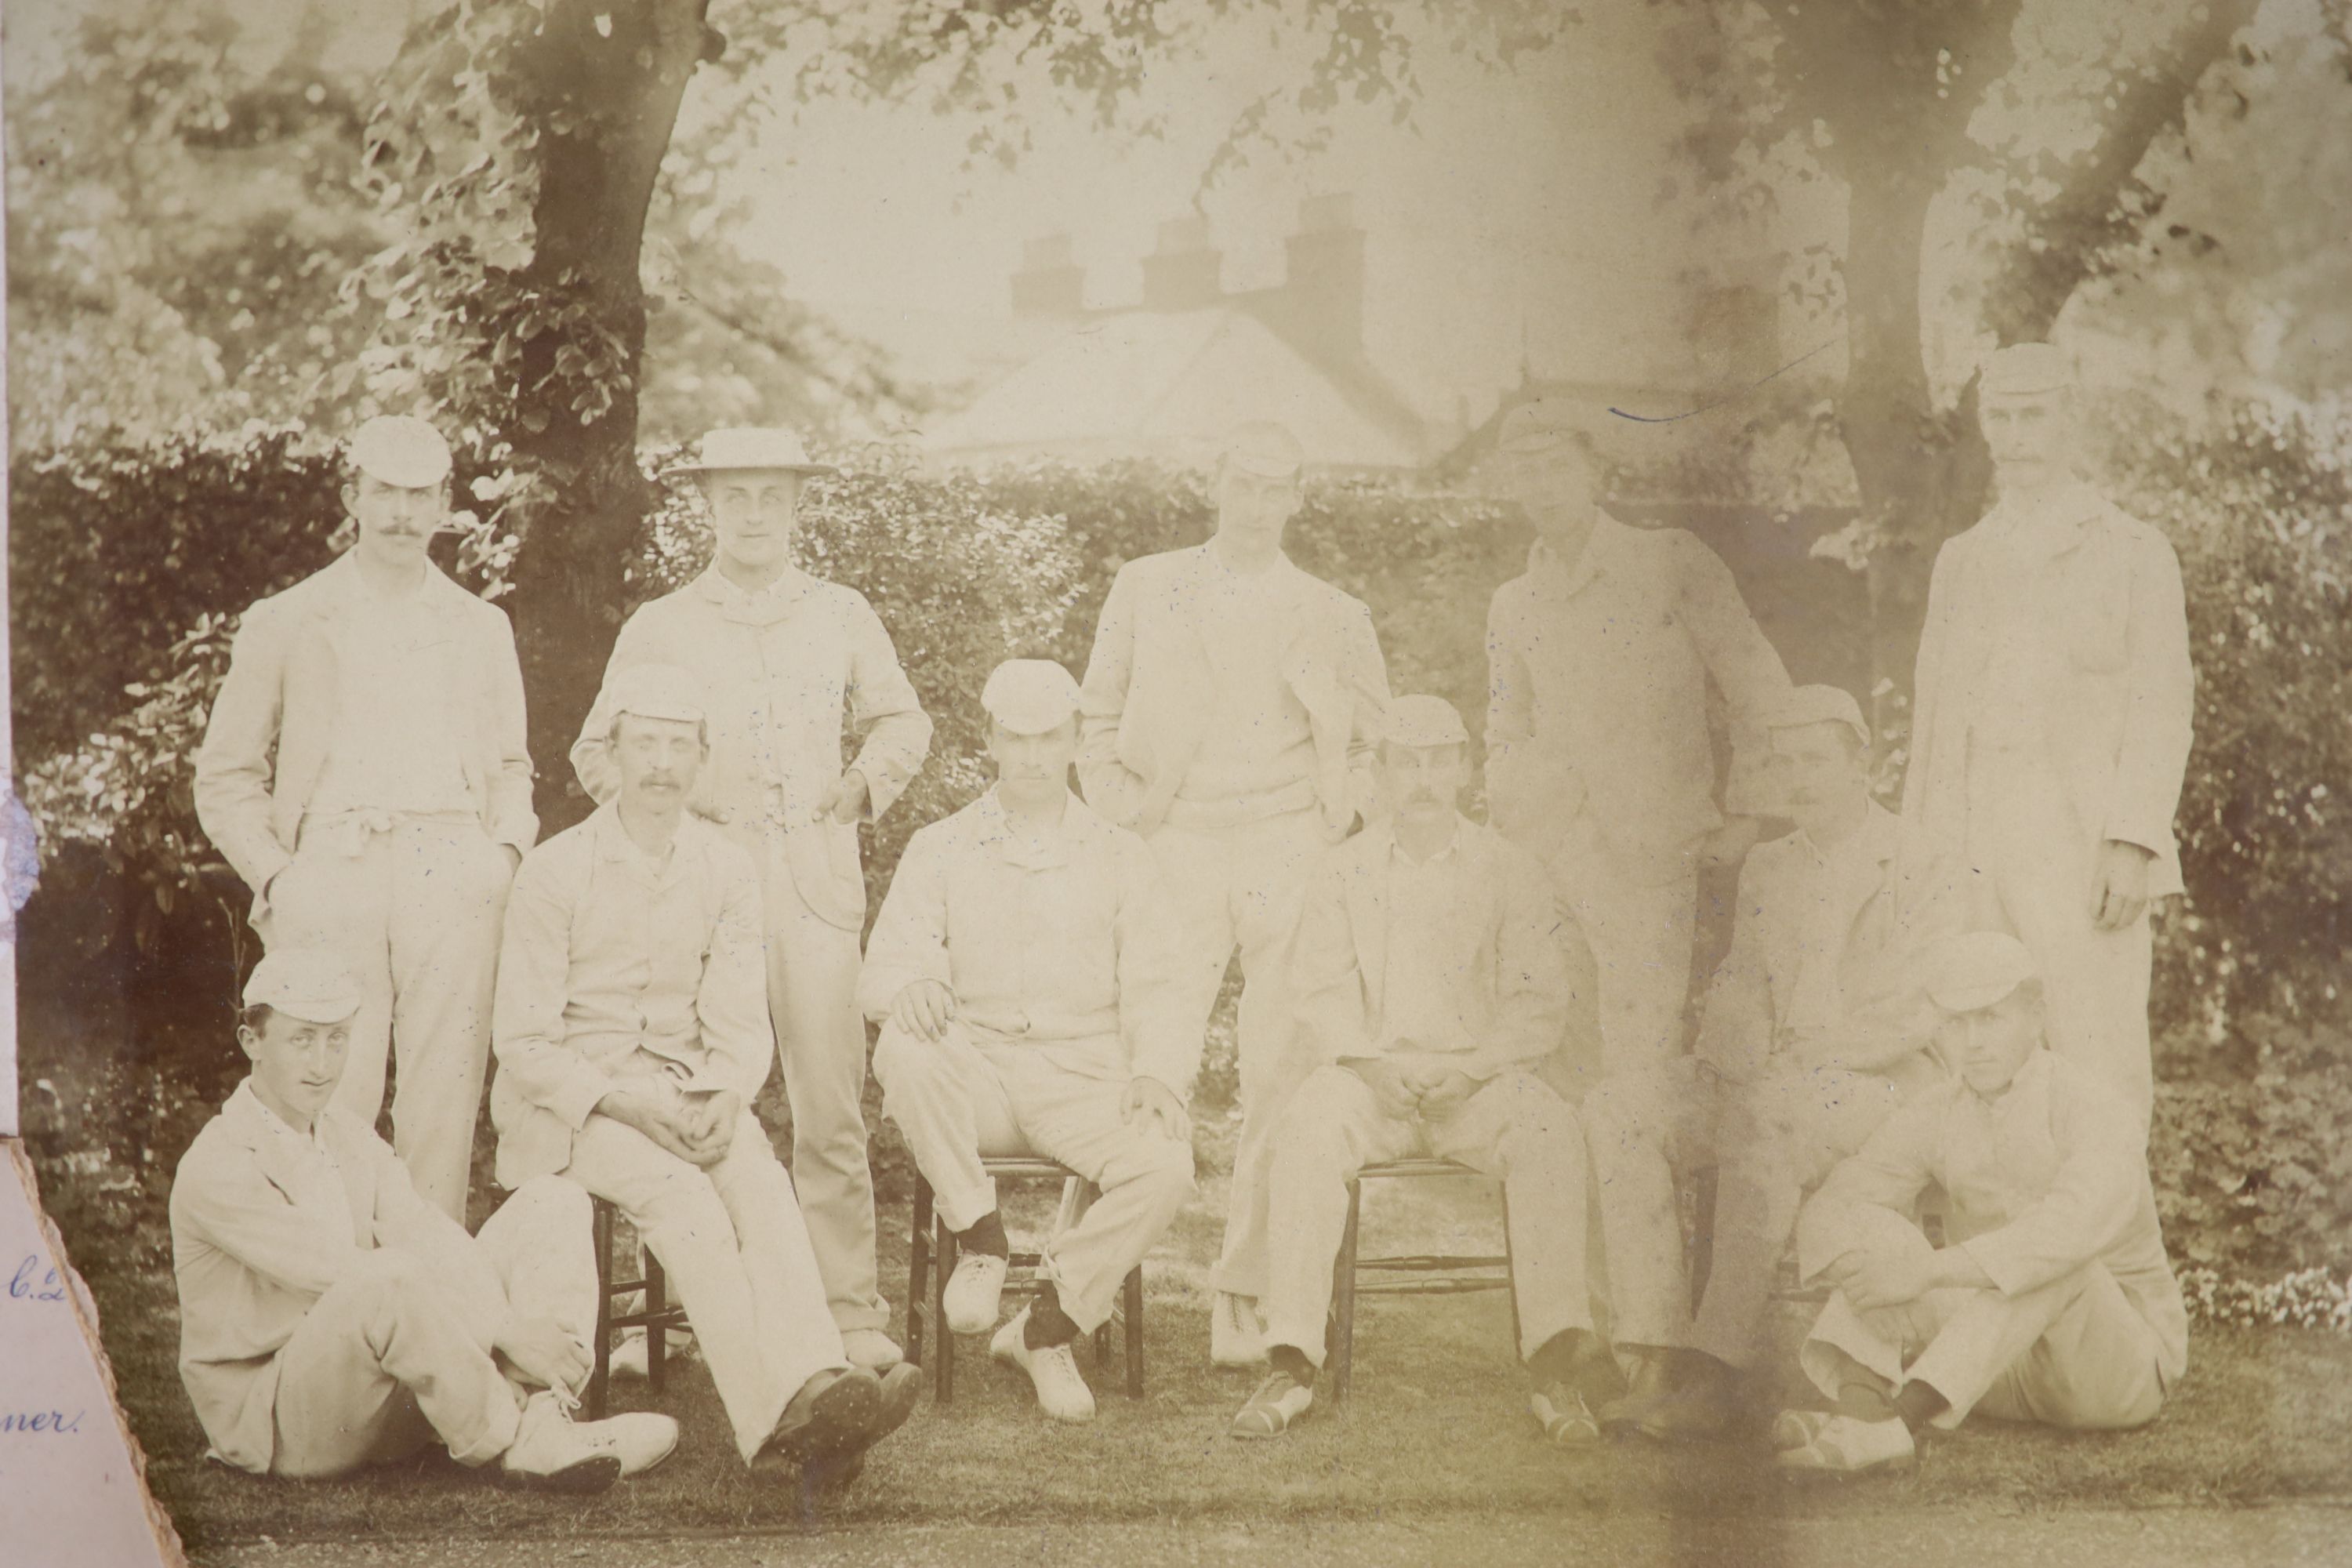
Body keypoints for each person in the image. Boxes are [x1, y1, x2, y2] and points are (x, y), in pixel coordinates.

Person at [570, 428, 933, 1368]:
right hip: (697, 894)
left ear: (799, 504)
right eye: (738, 495)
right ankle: (675, 1319)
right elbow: (594, 751)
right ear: (710, 505)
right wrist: (676, 811)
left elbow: (903, 717)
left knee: (828, 1106)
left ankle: (847, 1311)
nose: (757, 513)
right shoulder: (662, 624)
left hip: (815, 884)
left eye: (774, 494)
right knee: (687, 1091)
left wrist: (858, 787)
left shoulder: (841, 611)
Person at [499, 664, 917, 1476]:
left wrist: (727, 1094)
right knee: (685, 1194)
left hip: (685, 1089)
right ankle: (778, 1419)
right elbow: (523, 1041)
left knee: (757, 1176)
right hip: (572, 1105)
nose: (661, 764)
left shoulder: (724, 865)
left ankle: (820, 1382)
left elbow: (737, 1016)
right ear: (611, 753)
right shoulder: (555, 869)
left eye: (679, 747)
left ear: (702, 759)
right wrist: (624, 1102)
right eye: (644, 744)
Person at [1077, 420, 1391, 1367]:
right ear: (1216, 484)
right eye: (1244, 483)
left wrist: (1337, 821)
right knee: (1149, 1052)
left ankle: (1246, 1288)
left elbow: (1374, 736)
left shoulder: (1333, 609)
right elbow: (1096, 711)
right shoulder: (1148, 582)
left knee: (1280, 1070)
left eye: (1278, 487)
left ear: (1299, 497)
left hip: (1289, 841)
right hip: (1177, 838)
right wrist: (1128, 813)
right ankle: (1079, 1293)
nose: (1259, 503)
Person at [1228, 696, 1619, 1444]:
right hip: (1371, 1081)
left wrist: (1474, 1071)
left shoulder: (1511, 869)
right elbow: (1320, 989)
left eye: (1441, 758)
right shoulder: (1342, 871)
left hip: (1475, 1081)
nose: (1424, 779)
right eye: (1406, 761)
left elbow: (1538, 1001)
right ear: (1378, 775)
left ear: (1466, 768)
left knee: (1547, 1127)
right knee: (1306, 1125)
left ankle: (1556, 1365)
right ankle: (1291, 1361)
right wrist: (1371, 1066)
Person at [1585, 685, 1951, 1440]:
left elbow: (1920, 1009)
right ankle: (1654, 1347)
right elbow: (1744, 978)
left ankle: (1714, 1373)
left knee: (1765, 1118)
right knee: (1619, 1109)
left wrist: (1808, 1059)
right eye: (1785, 763)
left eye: (1817, 759)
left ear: (1864, 765)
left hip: (1880, 1084)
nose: (1800, 778)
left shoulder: (1919, 860)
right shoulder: (1772, 865)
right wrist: (1726, 1051)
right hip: (1775, 1081)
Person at [169, 949, 677, 1491]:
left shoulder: (342, 1131)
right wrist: (503, 1328)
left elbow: (422, 1229)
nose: (322, 1064)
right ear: (253, 1042)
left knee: (554, 1199)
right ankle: (518, 1439)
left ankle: (547, 1416)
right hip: (284, 1421)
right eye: (301, 1040)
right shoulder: (218, 1163)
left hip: (380, 1389)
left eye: (336, 1039)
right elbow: (336, 1272)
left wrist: (505, 1323)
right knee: (385, 1277)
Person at [194, 414, 535, 1220]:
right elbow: (225, 776)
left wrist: (503, 856)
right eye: (384, 491)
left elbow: (513, 766)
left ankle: (429, 1298)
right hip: (332, 868)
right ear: (353, 496)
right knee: (329, 1088)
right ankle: (333, 1293)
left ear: (446, 502)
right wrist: (281, 874)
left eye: (421, 495)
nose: (401, 514)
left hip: (452, 866)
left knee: (441, 1097)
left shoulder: (481, 627)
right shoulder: (286, 619)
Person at [863, 659, 1198, 1423]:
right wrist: (911, 983)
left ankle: (1046, 1327)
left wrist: (1157, 1073)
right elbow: (886, 965)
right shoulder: (941, 845)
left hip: (1082, 1078)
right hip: (974, 1080)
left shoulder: (1120, 853)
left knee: (1166, 1163)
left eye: (1051, 736)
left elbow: (1162, 982)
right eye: (1018, 736)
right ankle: (983, 1239)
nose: (1035, 755)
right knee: (906, 1048)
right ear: (990, 738)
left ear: (1078, 738)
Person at [1903, 343, 2194, 1124]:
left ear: (2070, 422)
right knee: (1979, 1049)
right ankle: (1996, 1242)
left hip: (2078, 838)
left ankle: (2112, 1245)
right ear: (1986, 427)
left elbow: (2164, 707)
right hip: (1972, 835)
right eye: (2003, 416)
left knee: (2094, 1052)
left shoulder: (2132, 551)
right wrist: (1921, 854)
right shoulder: (1963, 561)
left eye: (2036, 415)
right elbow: (1934, 723)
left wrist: (2133, 840)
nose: (2020, 433)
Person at [1773, 931, 2188, 1475]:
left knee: (2050, 1256)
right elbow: (1841, 1200)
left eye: (1989, 1018)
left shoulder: (2096, 1106)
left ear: (2035, 1016)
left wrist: (1924, 1272)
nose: (1971, 1043)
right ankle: (1862, 1411)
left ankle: (1895, 1422)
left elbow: (2067, 1233)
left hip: (2112, 1369)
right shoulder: (1939, 1110)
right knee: (1877, 1234)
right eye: (1955, 1022)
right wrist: (1863, 1258)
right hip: (1993, 1367)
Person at [1483, 396, 1792, 1095]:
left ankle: (1636, 1209)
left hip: (1650, 854)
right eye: (1526, 473)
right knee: (1556, 1053)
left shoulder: (1669, 560)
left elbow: (1758, 686)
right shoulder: (1515, 602)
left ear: (1595, 471)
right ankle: (1566, 1207)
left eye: (1558, 469)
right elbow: (1505, 730)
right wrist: (1515, 823)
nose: (1544, 489)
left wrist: (1748, 811)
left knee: (1639, 1058)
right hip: (1550, 853)